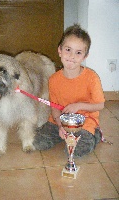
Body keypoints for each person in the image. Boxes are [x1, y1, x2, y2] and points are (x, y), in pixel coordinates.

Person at [33, 24, 105, 157]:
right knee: (37, 143)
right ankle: (65, 135)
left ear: (85, 56)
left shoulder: (92, 77)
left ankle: (94, 134)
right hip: (59, 120)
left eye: (78, 52)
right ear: (59, 50)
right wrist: (61, 126)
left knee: (72, 152)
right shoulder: (54, 79)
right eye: (68, 50)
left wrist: (78, 106)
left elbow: (100, 105)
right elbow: (54, 107)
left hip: (84, 122)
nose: (72, 56)